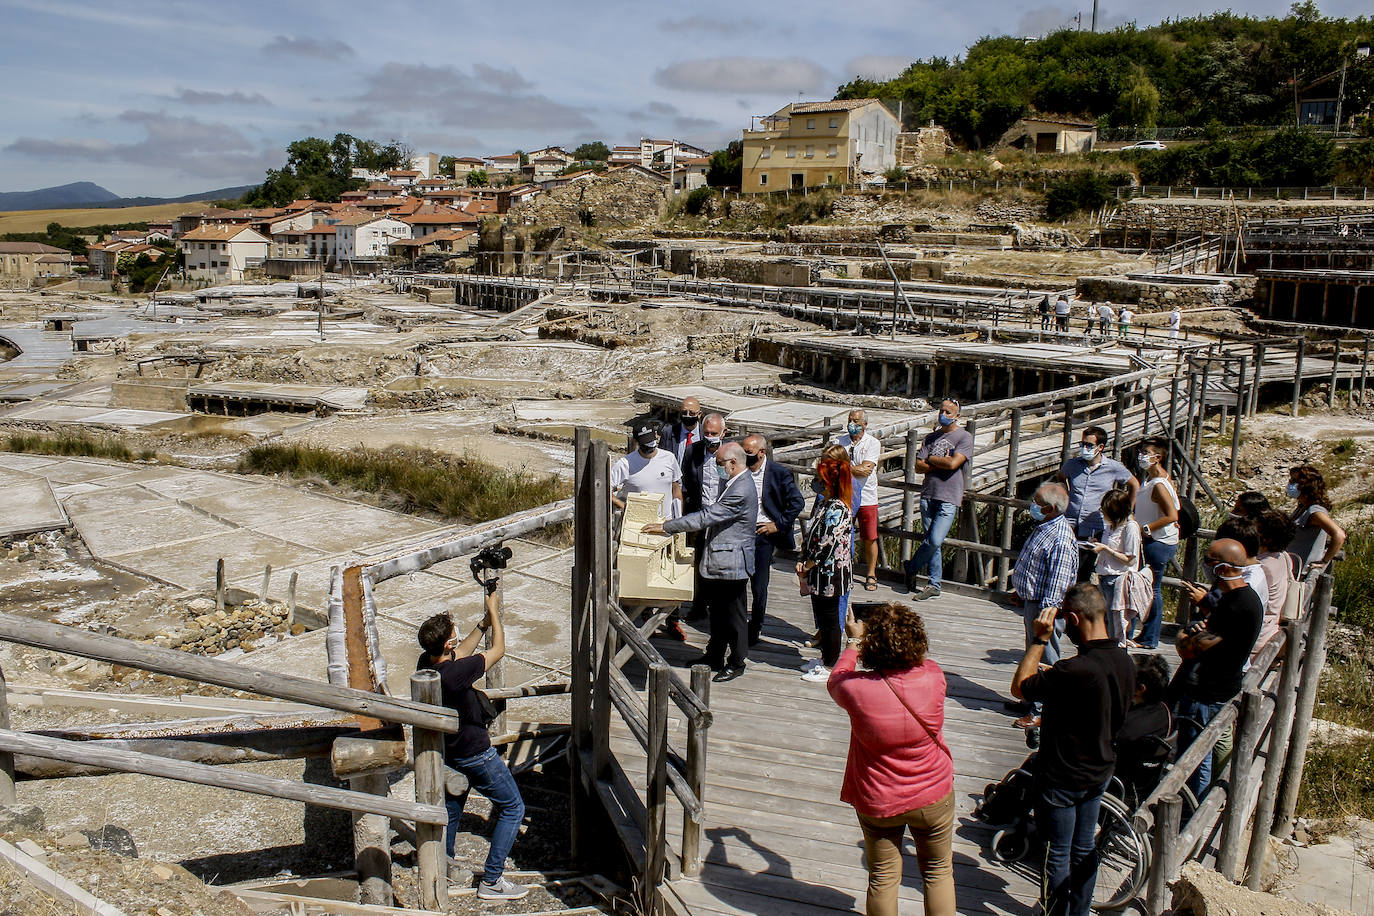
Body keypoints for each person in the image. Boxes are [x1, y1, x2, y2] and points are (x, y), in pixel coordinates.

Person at [1011, 585, 1133, 916]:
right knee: (1084, 848)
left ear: (1075, 619)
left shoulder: (1075, 669)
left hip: (1062, 777)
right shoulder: (1124, 661)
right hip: (1100, 771)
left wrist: (1039, 640)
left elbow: (1020, 687)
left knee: (1057, 853)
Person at [829, 603, 955, 916]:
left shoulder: (855, 689)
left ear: (873, 645)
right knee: (938, 872)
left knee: (883, 877)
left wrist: (853, 642)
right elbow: (919, 665)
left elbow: (836, 678)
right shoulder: (934, 676)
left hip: (879, 797)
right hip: (932, 792)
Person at [417, 588, 528, 900]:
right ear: (447, 643)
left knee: (453, 808)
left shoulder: (427, 663)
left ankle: (445, 864)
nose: (456, 636)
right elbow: (499, 650)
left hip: (450, 750)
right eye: (453, 633)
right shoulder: (455, 675)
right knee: (513, 807)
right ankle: (492, 880)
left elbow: (461, 652)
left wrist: (482, 624)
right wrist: (494, 612)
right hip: (476, 753)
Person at [643, 442, 757, 683]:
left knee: (734, 615)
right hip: (721, 560)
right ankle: (714, 655)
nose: (717, 468)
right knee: (718, 613)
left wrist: (668, 526)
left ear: (733, 463)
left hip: (732, 561)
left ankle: (737, 661)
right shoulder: (734, 482)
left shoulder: (741, 489)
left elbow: (707, 516)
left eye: (720, 464)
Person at [1171, 538, 1264, 798]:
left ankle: (1190, 810)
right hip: (1224, 686)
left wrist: (1183, 635)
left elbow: (1188, 649)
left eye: (1209, 561)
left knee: (1194, 759)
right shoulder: (1247, 599)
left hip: (1206, 693)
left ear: (1222, 568)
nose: (1206, 566)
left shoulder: (1233, 606)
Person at [1010, 483, 1079, 726]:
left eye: (1038, 503)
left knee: (1045, 656)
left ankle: (1042, 709)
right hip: (1032, 600)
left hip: (1045, 608)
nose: (1033, 506)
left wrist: (1047, 614)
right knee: (1031, 651)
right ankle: (1030, 697)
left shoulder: (1061, 538)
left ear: (1050, 508)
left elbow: (1058, 582)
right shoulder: (1045, 526)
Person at [904, 398, 973, 601]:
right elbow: (918, 466)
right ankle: (934, 584)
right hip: (928, 494)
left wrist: (932, 460)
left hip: (949, 496)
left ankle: (912, 567)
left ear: (957, 416)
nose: (943, 414)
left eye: (948, 412)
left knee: (935, 540)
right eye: (941, 411)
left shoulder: (964, 437)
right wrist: (940, 462)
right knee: (931, 542)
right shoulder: (931, 437)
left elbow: (953, 464)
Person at [742, 433, 806, 647]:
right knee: (737, 581)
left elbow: (797, 502)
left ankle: (756, 625)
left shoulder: (779, 472)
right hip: (741, 531)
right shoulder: (739, 469)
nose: (745, 456)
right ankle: (738, 623)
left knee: (759, 584)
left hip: (763, 533)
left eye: (749, 452)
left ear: (762, 452)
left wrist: (778, 524)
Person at [797, 454, 854, 682]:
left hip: (832, 573)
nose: (817, 483)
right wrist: (803, 557)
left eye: (820, 480)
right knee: (822, 616)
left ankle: (831, 665)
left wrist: (808, 564)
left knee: (830, 620)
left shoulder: (839, 509)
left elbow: (826, 544)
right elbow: (812, 534)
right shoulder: (824, 504)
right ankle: (824, 658)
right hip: (818, 573)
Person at [1057, 425, 1137, 583]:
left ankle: (1080, 597)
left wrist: (1127, 511)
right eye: (1082, 444)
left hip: (1094, 526)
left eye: (1089, 445)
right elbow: (1061, 477)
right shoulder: (1072, 465)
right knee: (1063, 566)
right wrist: (1066, 495)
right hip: (1069, 523)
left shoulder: (1113, 467)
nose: (1084, 448)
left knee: (1084, 569)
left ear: (1100, 447)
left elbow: (1134, 484)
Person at [679, 413, 727, 626]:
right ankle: (698, 606)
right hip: (700, 515)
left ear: (723, 433)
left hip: (723, 517)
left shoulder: (732, 452)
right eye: (706, 432)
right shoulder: (693, 451)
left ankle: (719, 608)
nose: (709, 437)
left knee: (721, 563)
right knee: (698, 561)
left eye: (714, 433)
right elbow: (686, 482)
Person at [1131, 437, 1179, 649]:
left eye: (1146, 453)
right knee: (1150, 588)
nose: (1141, 456)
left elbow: (1172, 515)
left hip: (1157, 541)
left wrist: (1147, 528)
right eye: (1141, 452)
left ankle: (1150, 637)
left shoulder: (1159, 484)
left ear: (1157, 457)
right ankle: (1146, 634)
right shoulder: (1154, 479)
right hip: (1155, 540)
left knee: (1153, 589)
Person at [1113, 655, 1174, 805]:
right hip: (1146, 775)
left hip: (1119, 780)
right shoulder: (1163, 710)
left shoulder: (1130, 727)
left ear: (1140, 688)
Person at [837, 409, 882, 592]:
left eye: (856, 421)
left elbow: (866, 470)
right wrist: (852, 469)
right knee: (842, 534)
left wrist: (842, 468)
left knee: (869, 537)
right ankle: (843, 569)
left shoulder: (873, 443)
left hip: (867, 496)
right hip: (845, 495)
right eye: (850, 420)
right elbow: (829, 464)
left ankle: (871, 574)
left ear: (864, 424)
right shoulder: (839, 441)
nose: (852, 424)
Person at [1088, 488, 1141, 644]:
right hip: (1104, 576)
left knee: (1117, 625)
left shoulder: (1130, 527)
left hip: (1118, 580)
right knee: (1107, 622)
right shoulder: (1111, 526)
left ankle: (1119, 651)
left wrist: (1106, 549)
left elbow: (1130, 559)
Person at [611, 421, 683, 518]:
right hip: (638, 521)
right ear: (636, 441)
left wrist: (678, 518)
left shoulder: (669, 458)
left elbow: (676, 488)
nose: (649, 445)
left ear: (656, 435)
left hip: (666, 521)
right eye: (644, 442)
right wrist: (623, 506)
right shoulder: (625, 464)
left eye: (650, 440)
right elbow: (605, 488)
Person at [1253, 510, 1296, 659]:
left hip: (1256, 636)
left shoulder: (1262, 567)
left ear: (1266, 538)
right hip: (1270, 628)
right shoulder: (1283, 556)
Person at [1287, 464, 1346, 573]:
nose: (1290, 483)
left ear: (1305, 485)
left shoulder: (1315, 512)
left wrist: (1324, 561)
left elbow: (1339, 535)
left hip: (1300, 571)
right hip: (1291, 567)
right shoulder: (1303, 507)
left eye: (1294, 481)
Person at [661, 396, 702, 466]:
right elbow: (661, 459)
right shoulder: (668, 433)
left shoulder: (706, 434)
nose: (687, 416)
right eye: (684, 413)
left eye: (692, 413)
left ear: (699, 414)